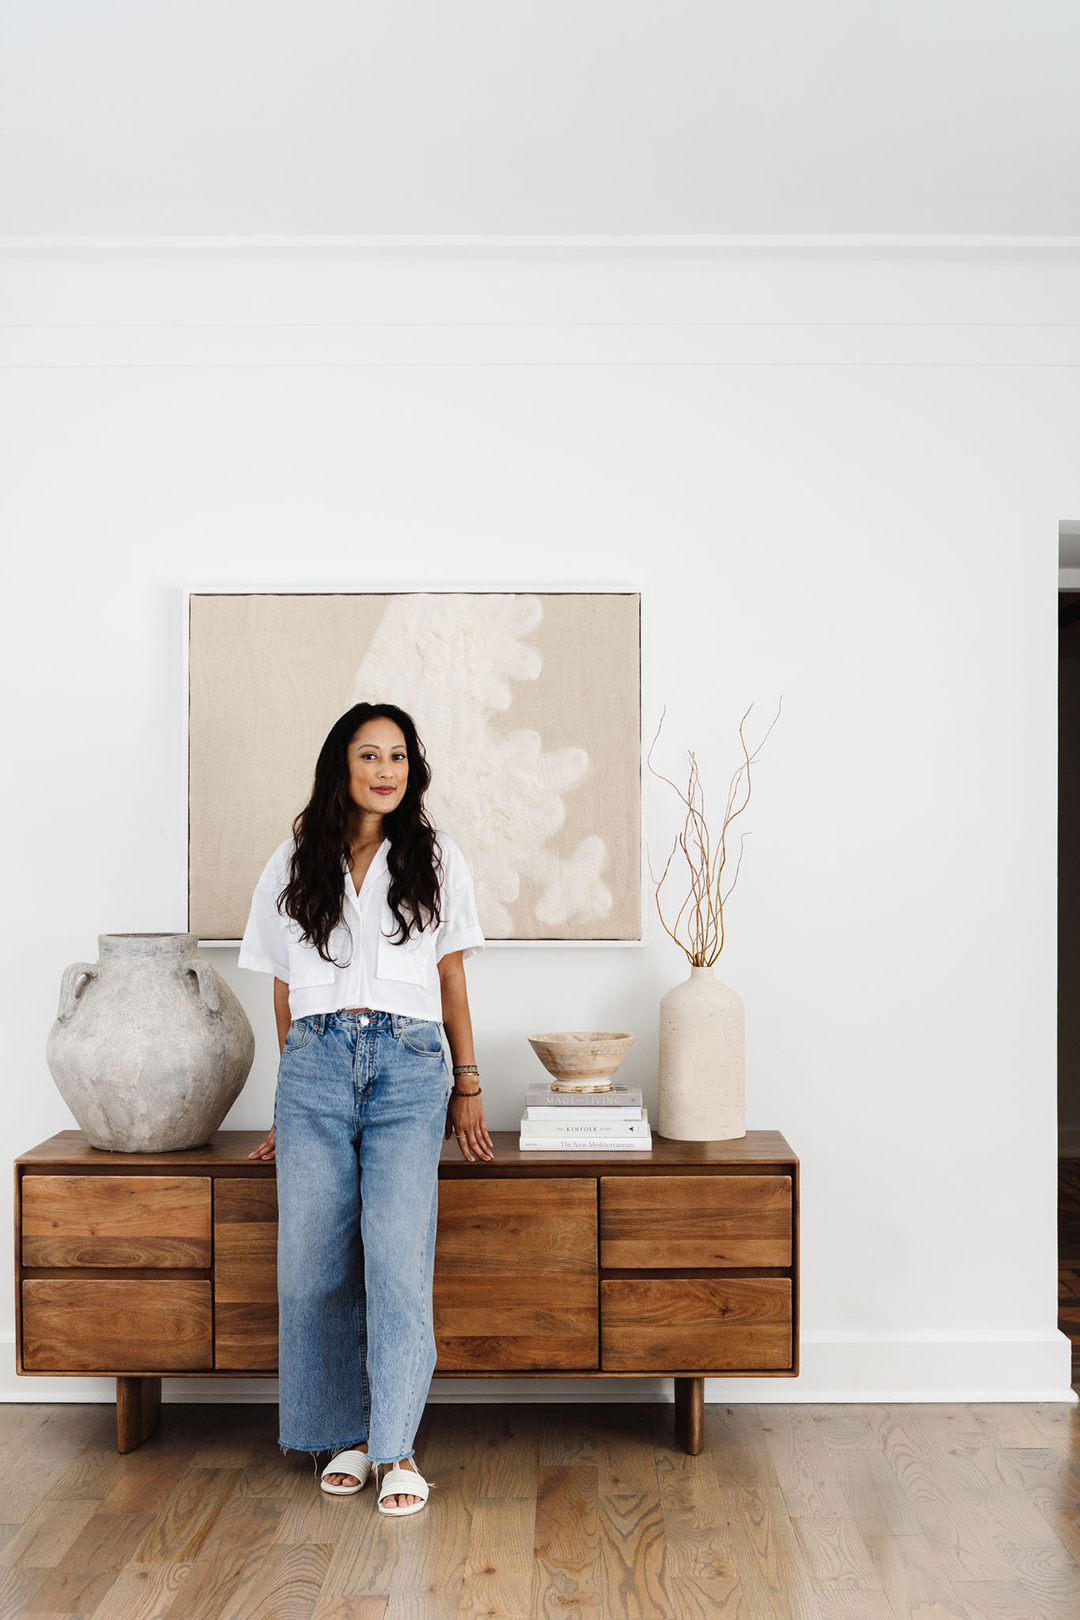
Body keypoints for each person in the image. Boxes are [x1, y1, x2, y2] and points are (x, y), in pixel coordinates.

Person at [238, 701, 495, 1516]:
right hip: (313, 1065)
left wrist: (469, 1085)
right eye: (369, 755)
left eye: (398, 757)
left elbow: (451, 980)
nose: (386, 770)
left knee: (394, 1259)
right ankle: (343, 1433)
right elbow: (281, 988)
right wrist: (290, 1096)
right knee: (311, 1266)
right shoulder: (292, 860)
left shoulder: (437, 857)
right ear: (340, 765)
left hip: (410, 1066)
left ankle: (397, 1449)